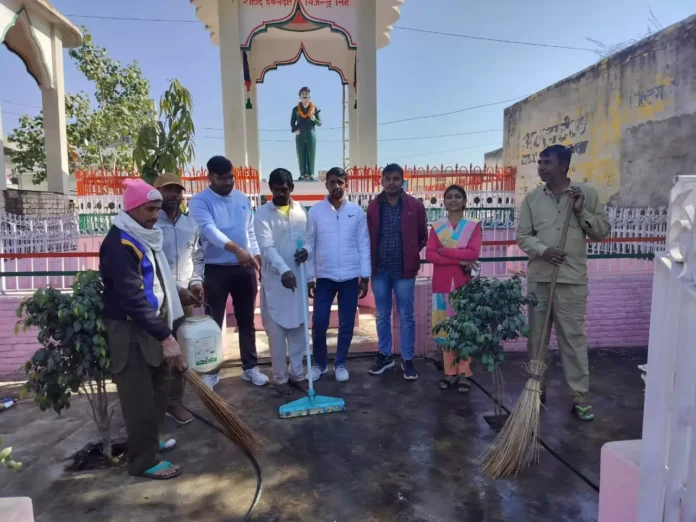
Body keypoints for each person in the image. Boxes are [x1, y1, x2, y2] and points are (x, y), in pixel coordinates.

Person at [100, 178, 200, 480]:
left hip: (152, 324)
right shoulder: (119, 244)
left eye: (157, 208)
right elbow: (132, 298)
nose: (156, 214)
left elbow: (157, 280)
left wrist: (177, 293)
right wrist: (165, 336)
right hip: (130, 330)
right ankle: (143, 462)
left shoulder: (145, 235)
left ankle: (152, 442)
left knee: (158, 388)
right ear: (132, 208)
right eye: (149, 209)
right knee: (139, 397)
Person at [517, 144, 610, 421]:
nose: (541, 167)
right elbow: (523, 236)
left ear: (563, 165)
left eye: (547, 162)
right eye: (540, 162)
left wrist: (581, 211)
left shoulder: (585, 194)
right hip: (541, 279)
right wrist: (544, 250)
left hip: (571, 280)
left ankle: (580, 396)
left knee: (573, 340)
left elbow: (602, 233)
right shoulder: (532, 199)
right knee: (537, 338)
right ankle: (536, 387)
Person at [189, 156, 269, 389]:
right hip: (215, 270)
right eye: (222, 178)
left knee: (246, 319)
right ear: (210, 177)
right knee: (213, 322)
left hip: (243, 269)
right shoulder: (200, 202)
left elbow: (250, 231)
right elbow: (209, 231)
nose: (228, 182)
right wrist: (237, 250)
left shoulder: (242, 199)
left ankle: (250, 367)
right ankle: (211, 370)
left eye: (231, 177)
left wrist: (256, 256)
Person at [306, 167, 371, 382]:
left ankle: (340, 363)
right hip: (325, 277)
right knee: (320, 322)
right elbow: (310, 245)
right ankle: (320, 364)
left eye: (340, 182)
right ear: (326, 185)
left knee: (346, 323)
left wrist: (365, 276)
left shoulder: (357, 212)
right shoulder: (315, 212)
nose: (336, 186)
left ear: (346, 183)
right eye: (332, 182)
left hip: (351, 277)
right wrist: (309, 277)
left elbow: (363, 244)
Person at [366, 164, 428, 380]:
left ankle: (408, 359)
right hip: (380, 270)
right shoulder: (374, 207)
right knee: (382, 315)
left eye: (396, 179)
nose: (392, 182)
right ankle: (385, 355)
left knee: (406, 316)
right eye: (388, 179)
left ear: (403, 181)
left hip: (404, 271)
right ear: (382, 181)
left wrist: (410, 254)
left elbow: (422, 235)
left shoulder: (414, 206)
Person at [253, 168, 313, 395]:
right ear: (271, 188)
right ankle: (279, 378)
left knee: (298, 330)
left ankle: (297, 374)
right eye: (276, 189)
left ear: (291, 188)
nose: (281, 193)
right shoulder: (262, 214)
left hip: (297, 278)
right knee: (277, 332)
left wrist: (306, 250)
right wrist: (284, 270)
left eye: (285, 189)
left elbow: (309, 238)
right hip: (276, 281)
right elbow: (266, 247)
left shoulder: (300, 211)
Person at [154, 173, 205, 425]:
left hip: (183, 300)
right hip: (156, 299)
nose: (173, 196)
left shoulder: (190, 225)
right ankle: (154, 402)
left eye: (177, 191)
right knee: (156, 352)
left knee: (179, 351)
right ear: (156, 193)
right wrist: (175, 288)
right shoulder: (151, 227)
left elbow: (197, 258)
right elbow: (153, 266)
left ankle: (174, 401)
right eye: (167, 191)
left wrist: (195, 283)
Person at [425, 185, 482, 393]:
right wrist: (458, 259)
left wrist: (446, 251)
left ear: (465, 201)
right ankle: (449, 372)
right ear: (444, 202)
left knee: (464, 329)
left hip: (464, 284)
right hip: (442, 284)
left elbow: (473, 253)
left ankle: (464, 372)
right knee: (446, 329)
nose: (453, 200)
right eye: (449, 197)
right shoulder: (437, 226)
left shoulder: (473, 225)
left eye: (458, 196)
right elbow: (430, 254)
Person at [290, 86, 321, 181]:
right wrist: (295, 130)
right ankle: (302, 173)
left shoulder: (314, 108)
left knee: (311, 154)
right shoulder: (295, 109)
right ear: (299, 97)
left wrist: (314, 119)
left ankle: (311, 173)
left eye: (306, 94)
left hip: (311, 132)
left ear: (309, 96)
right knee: (301, 153)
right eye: (302, 94)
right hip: (300, 133)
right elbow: (292, 122)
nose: (304, 95)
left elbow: (319, 123)